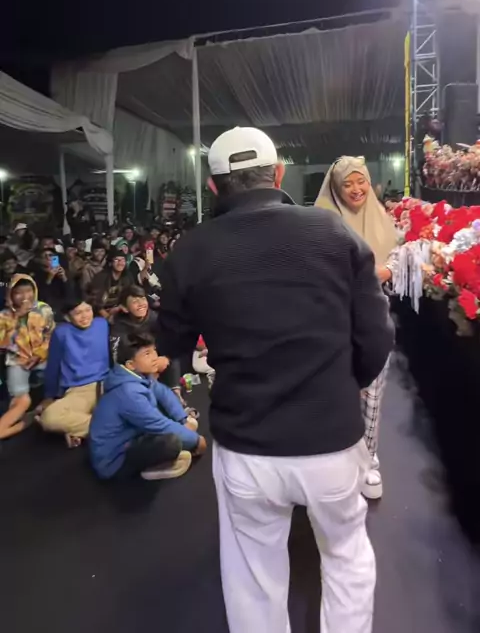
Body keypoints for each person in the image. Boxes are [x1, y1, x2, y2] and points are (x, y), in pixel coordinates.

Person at [158, 126, 394, 633]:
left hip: (246, 446)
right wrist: (339, 388)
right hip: (331, 439)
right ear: (279, 174)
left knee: (253, 573)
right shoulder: (333, 233)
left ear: (214, 185)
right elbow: (377, 337)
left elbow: (171, 344)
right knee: (347, 555)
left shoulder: (190, 251)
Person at [315, 156, 398, 500]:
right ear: (335, 188)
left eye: (360, 181)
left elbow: (396, 256)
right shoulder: (322, 223)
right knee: (338, 391)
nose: (355, 189)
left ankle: (369, 457)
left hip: (374, 320)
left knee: (374, 390)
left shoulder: (380, 217)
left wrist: (389, 270)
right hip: (334, 322)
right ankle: (335, 458)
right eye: (346, 184)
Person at [89, 332, 206, 480]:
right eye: (147, 354)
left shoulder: (137, 375)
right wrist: (196, 441)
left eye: (154, 350)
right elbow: (159, 424)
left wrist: (182, 419)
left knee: (167, 415)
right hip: (114, 462)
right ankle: (151, 470)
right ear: (131, 364)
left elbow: (163, 392)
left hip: (132, 437)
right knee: (171, 443)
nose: (155, 357)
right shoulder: (129, 393)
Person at [37, 297, 110, 448]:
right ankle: (109, 429)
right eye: (78, 313)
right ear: (67, 316)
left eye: (87, 310)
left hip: (106, 383)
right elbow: (53, 365)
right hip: (79, 390)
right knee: (49, 418)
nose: (84, 316)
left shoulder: (102, 324)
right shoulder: (61, 333)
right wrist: (49, 396)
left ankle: (78, 430)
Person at [0, 274, 55, 439]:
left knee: (57, 385)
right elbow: (2, 344)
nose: (25, 297)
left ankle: (41, 409)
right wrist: (16, 318)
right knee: (22, 401)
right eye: (19, 293)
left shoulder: (44, 309)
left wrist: (40, 354)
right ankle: (23, 422)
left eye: (28, 291)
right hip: (17, 361)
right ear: (11, 295)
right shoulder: (4, 315)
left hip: (43, 358)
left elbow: (50, 336)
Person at [111, 285, 184, 399]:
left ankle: (176, 392)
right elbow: (118, 359)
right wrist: (149, 368)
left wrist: (165, 358)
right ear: (125, 308)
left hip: (154, 361)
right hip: (133, 368)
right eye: (135, 302)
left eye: (143, 299)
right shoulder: (119, 327)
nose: (141, 304)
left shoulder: (156, 318)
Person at [89, 250, 133, 320]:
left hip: (119, 309)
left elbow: (131, 294)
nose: (120, 263)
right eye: (116, 260)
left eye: (123, 260)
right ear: (110, 263)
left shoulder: (127, 277)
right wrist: (108, 317)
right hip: (102, 311)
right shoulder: (100, 277)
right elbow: (95, 303)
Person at [30, 248, 70, 318]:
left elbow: (71, 295)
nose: (48, 258)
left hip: (63, 309)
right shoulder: (36, 275)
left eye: (50, 255)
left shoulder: (62, 273)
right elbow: (41, 298)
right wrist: (49, 278)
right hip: (46, 311)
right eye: (44, 256)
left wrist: (64, 278)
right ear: (40, 260)